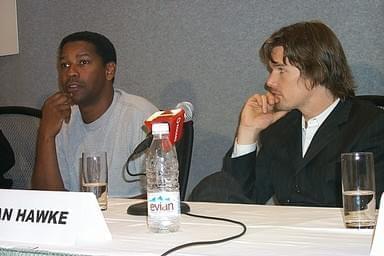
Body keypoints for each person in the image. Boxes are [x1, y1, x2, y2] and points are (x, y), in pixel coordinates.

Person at [189, 21, 384, 207]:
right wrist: (248, 132)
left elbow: (363, 209)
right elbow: (241, 200)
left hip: (338, 238)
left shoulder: (371, 126)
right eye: (272, 70)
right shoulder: (281, 127)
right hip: (285, 236)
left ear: (317, 71)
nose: (270, 82)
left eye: (281, 70)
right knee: (212, 187)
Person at [32, 31, 158, 197]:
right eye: (65, 65)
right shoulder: (61, 119)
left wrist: (99, 213)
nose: (71, 73)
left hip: (126, 221)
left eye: (82, 62)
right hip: (78, 221)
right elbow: (46, 200)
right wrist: (45, 134)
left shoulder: (140, 116)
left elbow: (160, 194)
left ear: (109, 71)